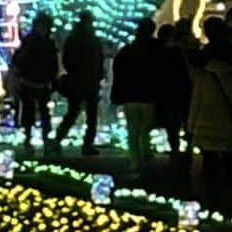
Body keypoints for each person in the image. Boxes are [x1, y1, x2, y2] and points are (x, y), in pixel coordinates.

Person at [188, 15, 232, 189]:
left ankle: (211, 194)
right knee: (230, 161)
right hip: (228, 123)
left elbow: (196, 100)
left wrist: (191, 126)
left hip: (205, 124)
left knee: (209, 162)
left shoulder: (203, 70)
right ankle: (231, 195)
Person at [112, 17, 160, 178]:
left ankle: (135, 160)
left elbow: (118, 72)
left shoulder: (127, 50)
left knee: (133, 129)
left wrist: (118, 93)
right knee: (145, 127)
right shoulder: (156, 49)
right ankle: (145, 153)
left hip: (131, 95)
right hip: (149, 95)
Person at [55, 11, 104, 155]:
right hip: (86, 82)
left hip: (80, 81)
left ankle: (59, 140)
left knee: (75, 113)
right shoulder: (91, 39)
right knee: (88, 115)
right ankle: (86, 144)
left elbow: (67, 60)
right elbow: (97, 59)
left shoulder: (75, 39)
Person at [11, 13, 58, 147]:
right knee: (31, 111)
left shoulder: (45, 43)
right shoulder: (32, 42)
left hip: (39, 82)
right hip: (30, 81)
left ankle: (43, 137)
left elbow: (52, 63)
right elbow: (19, 60)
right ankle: (30, 136)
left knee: (42, 112)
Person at [154, 22, 191, 163]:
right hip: (181, 93)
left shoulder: (158, 54)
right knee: (185, 122)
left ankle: (174, 149)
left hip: (167, 94)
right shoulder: (180, 53)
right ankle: (186, 148)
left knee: (172, 124)